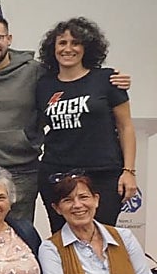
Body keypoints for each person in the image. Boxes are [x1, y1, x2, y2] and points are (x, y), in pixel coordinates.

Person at [0, 14, 130, 222]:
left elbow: (76, 80)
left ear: (9, 38)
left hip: (24, 169)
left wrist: (114, 78)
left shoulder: (36, 72)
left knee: (22, 235)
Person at [35, 17, 136, 230]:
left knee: (102, 237)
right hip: (56, 174)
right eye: (62, 43)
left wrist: (129, 171)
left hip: (103, 174)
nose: (68, 48)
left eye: (75, 43)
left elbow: (125, 126)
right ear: (53, 49)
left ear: (86, 48)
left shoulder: (107, 80)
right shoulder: (44, 85)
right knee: (63, 239)